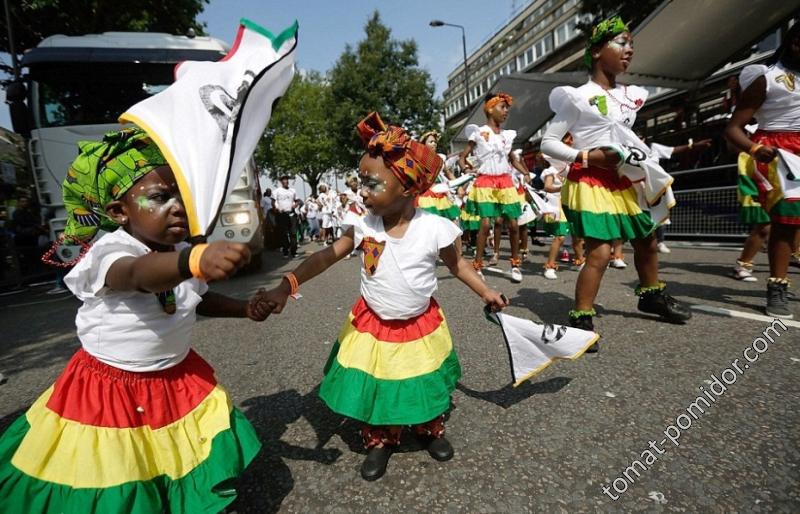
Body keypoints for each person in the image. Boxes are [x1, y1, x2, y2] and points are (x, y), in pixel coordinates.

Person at [0, 128, 273, 513]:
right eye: (160, 197)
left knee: (167, 453)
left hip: (174, 377)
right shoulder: (110, 252)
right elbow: (138, 275)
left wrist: (243, 308)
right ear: (118, 212)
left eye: (182, 195)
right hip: (111, 388)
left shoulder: (180, 249)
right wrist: (193, 260)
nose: (178, 206)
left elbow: (195, 299)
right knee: (117, 468)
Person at [261, 112, 507, 482]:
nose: (362, 191)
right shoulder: (363, 225)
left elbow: (458, 267)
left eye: (372, 183)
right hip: (373, 323)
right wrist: (287, 285)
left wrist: (486, 291)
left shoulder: (435, 228)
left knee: (421, 377)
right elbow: (326, 257)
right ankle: (381, 440)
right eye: (361, 181)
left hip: (419, 322)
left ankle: (427, 430)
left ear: (408, 187)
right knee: (380, 381)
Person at [540, 16, 692, 350]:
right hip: (590, 179)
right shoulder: (577, 97)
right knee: (601, 252)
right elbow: (548, 143)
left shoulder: (630, 95)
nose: (629, 50)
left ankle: (651, 295)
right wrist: (587, 157)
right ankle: (580, 315)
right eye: (621, 43)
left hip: (622, 178)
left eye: (631, 44)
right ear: (596, 51)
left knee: (647, 237)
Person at [725, 22, 800, 318]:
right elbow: (733, 129)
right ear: (795, 43)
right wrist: (756, 149)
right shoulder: (766, 79)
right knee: (785, 223)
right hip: (780, 154)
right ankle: (777, 286)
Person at [460, 92, 530, 282]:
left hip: (505, 182)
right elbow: (462, 157)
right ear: (490, 109)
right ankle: (477, 265)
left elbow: (511, 159)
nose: (506, 111)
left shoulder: (507, 136)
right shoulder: (479, 132)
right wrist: (466, 168)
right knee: (484, 224)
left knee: (514, 224)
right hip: (485, 182)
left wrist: (524, 172)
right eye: (502, 107)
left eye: (507, 108)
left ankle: (515, 265)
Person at [541, 135, 585, 279]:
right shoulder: (551, 171)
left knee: (577, 237)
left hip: (571, 204)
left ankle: (580, 262)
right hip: (557, 206)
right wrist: (561, 189)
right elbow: (547, 187)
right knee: (560, 237)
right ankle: (550, 266)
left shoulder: (572, 169)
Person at [416, 131, 463, 254]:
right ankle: (427, 253)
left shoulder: (440, 158)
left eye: (435, 142)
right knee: (429, 225)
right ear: (423, 144)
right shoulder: (419, 159)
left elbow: (448, 173)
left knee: (454, 222)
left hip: (442, 194)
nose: (434, 144)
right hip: (427, 195)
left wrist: (459, 186)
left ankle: (459, 254)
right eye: (431, 141)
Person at [274, 174, 298, 258]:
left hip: (291, 213)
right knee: (284, 233)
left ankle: (294, 251)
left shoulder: (292, 191)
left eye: (287, 180)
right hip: (282, 214)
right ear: (281, 182)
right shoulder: (277, 191)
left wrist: (295, 205)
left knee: (293, 233)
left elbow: (297, 200)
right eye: (284, 180)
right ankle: (285, 251)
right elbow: (273, 201)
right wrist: (276, 208)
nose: (286, 181)